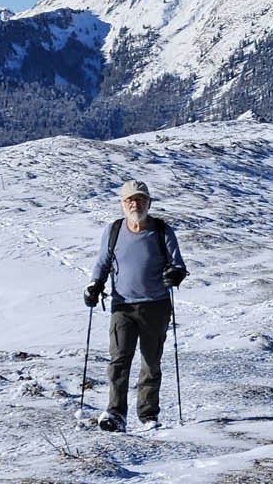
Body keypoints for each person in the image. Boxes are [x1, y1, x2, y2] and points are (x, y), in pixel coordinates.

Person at [84, 180, 188, 432]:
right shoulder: (114, 231)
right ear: (122, 204)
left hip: (156, 305)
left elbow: (178, 265)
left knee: (151, 362)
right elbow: (103, 262)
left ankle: (148, 415)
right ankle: (115, 413)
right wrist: (94, 285)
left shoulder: (163, 231)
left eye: (140, 199)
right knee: (119, 360)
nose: (135, 204)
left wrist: (175, 275)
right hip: (122, 306)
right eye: (130, 200)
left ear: (148, 203)